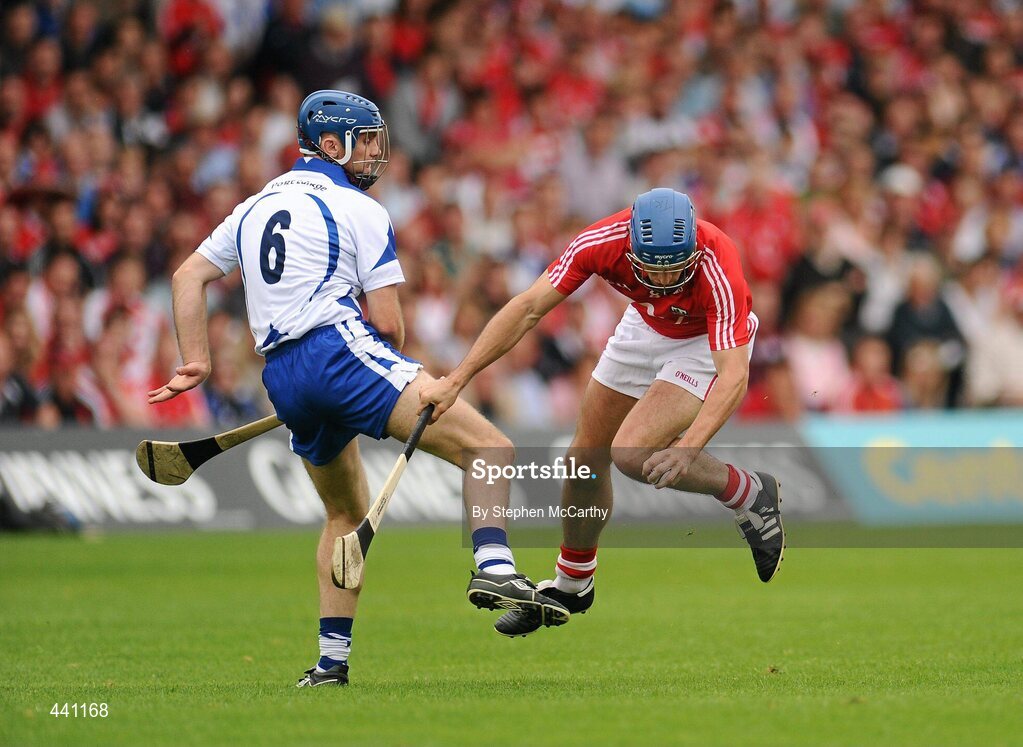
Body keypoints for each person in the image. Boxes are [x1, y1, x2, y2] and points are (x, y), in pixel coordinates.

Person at [148, 89, 569, 687]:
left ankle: (330, 664)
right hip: (341, 351)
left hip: (282, 377)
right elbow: (389, 324)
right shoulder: (360, 208)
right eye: (365, 141)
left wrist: (197, 360)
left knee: (344, 514)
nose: (375, 153)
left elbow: (187, 275)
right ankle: (494, 566)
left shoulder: (253, 204)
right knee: (489, 449)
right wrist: (396, 378)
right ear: (330, 144)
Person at [420, 188, 786, 637]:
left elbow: (734, 377)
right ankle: (573, 584)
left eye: (676, 266)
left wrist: (690, 448)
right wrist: (457, 379)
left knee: (632, 453)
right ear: (631, 247)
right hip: (644, 324)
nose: (666, 277)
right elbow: (528, 308)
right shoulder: (600, 242)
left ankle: (747, 491)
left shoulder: (718, 261)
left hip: (702, 341)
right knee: (583, 461)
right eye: (654, 266)